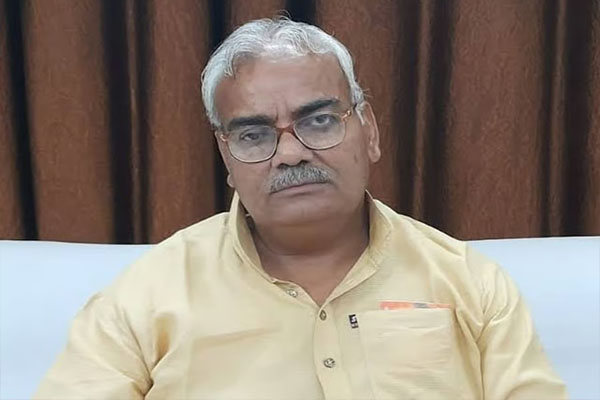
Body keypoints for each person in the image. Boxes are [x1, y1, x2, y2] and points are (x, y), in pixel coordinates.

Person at [35, 17, 566, 399]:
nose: (290, 153)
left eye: (319, 120)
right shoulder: (147, 293)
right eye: (253, 133)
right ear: (226, 154)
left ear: (369, 131)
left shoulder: (472, 284)